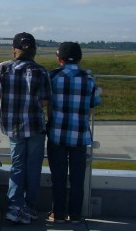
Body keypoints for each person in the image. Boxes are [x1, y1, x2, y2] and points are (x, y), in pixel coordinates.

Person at [0, 32, 52, 224]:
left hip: (12, 126)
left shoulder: (4, 69)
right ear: (34, 51)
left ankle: (14, 206)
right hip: (35, 125)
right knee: (33, 167)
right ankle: (29, 207)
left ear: (13, 50)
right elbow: (45, 101)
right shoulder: (41, 71)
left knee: (17, 165)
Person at [47, 42, 101, 224]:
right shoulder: (89, 80)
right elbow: (91, 108)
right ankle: (75, 214)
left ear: (59, 59)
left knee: (58, 177)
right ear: (80, 59)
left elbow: (46, 102)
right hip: (80, 136)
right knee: (78, 178)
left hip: (57, 134)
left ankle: (58, 213)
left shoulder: (52, 77)